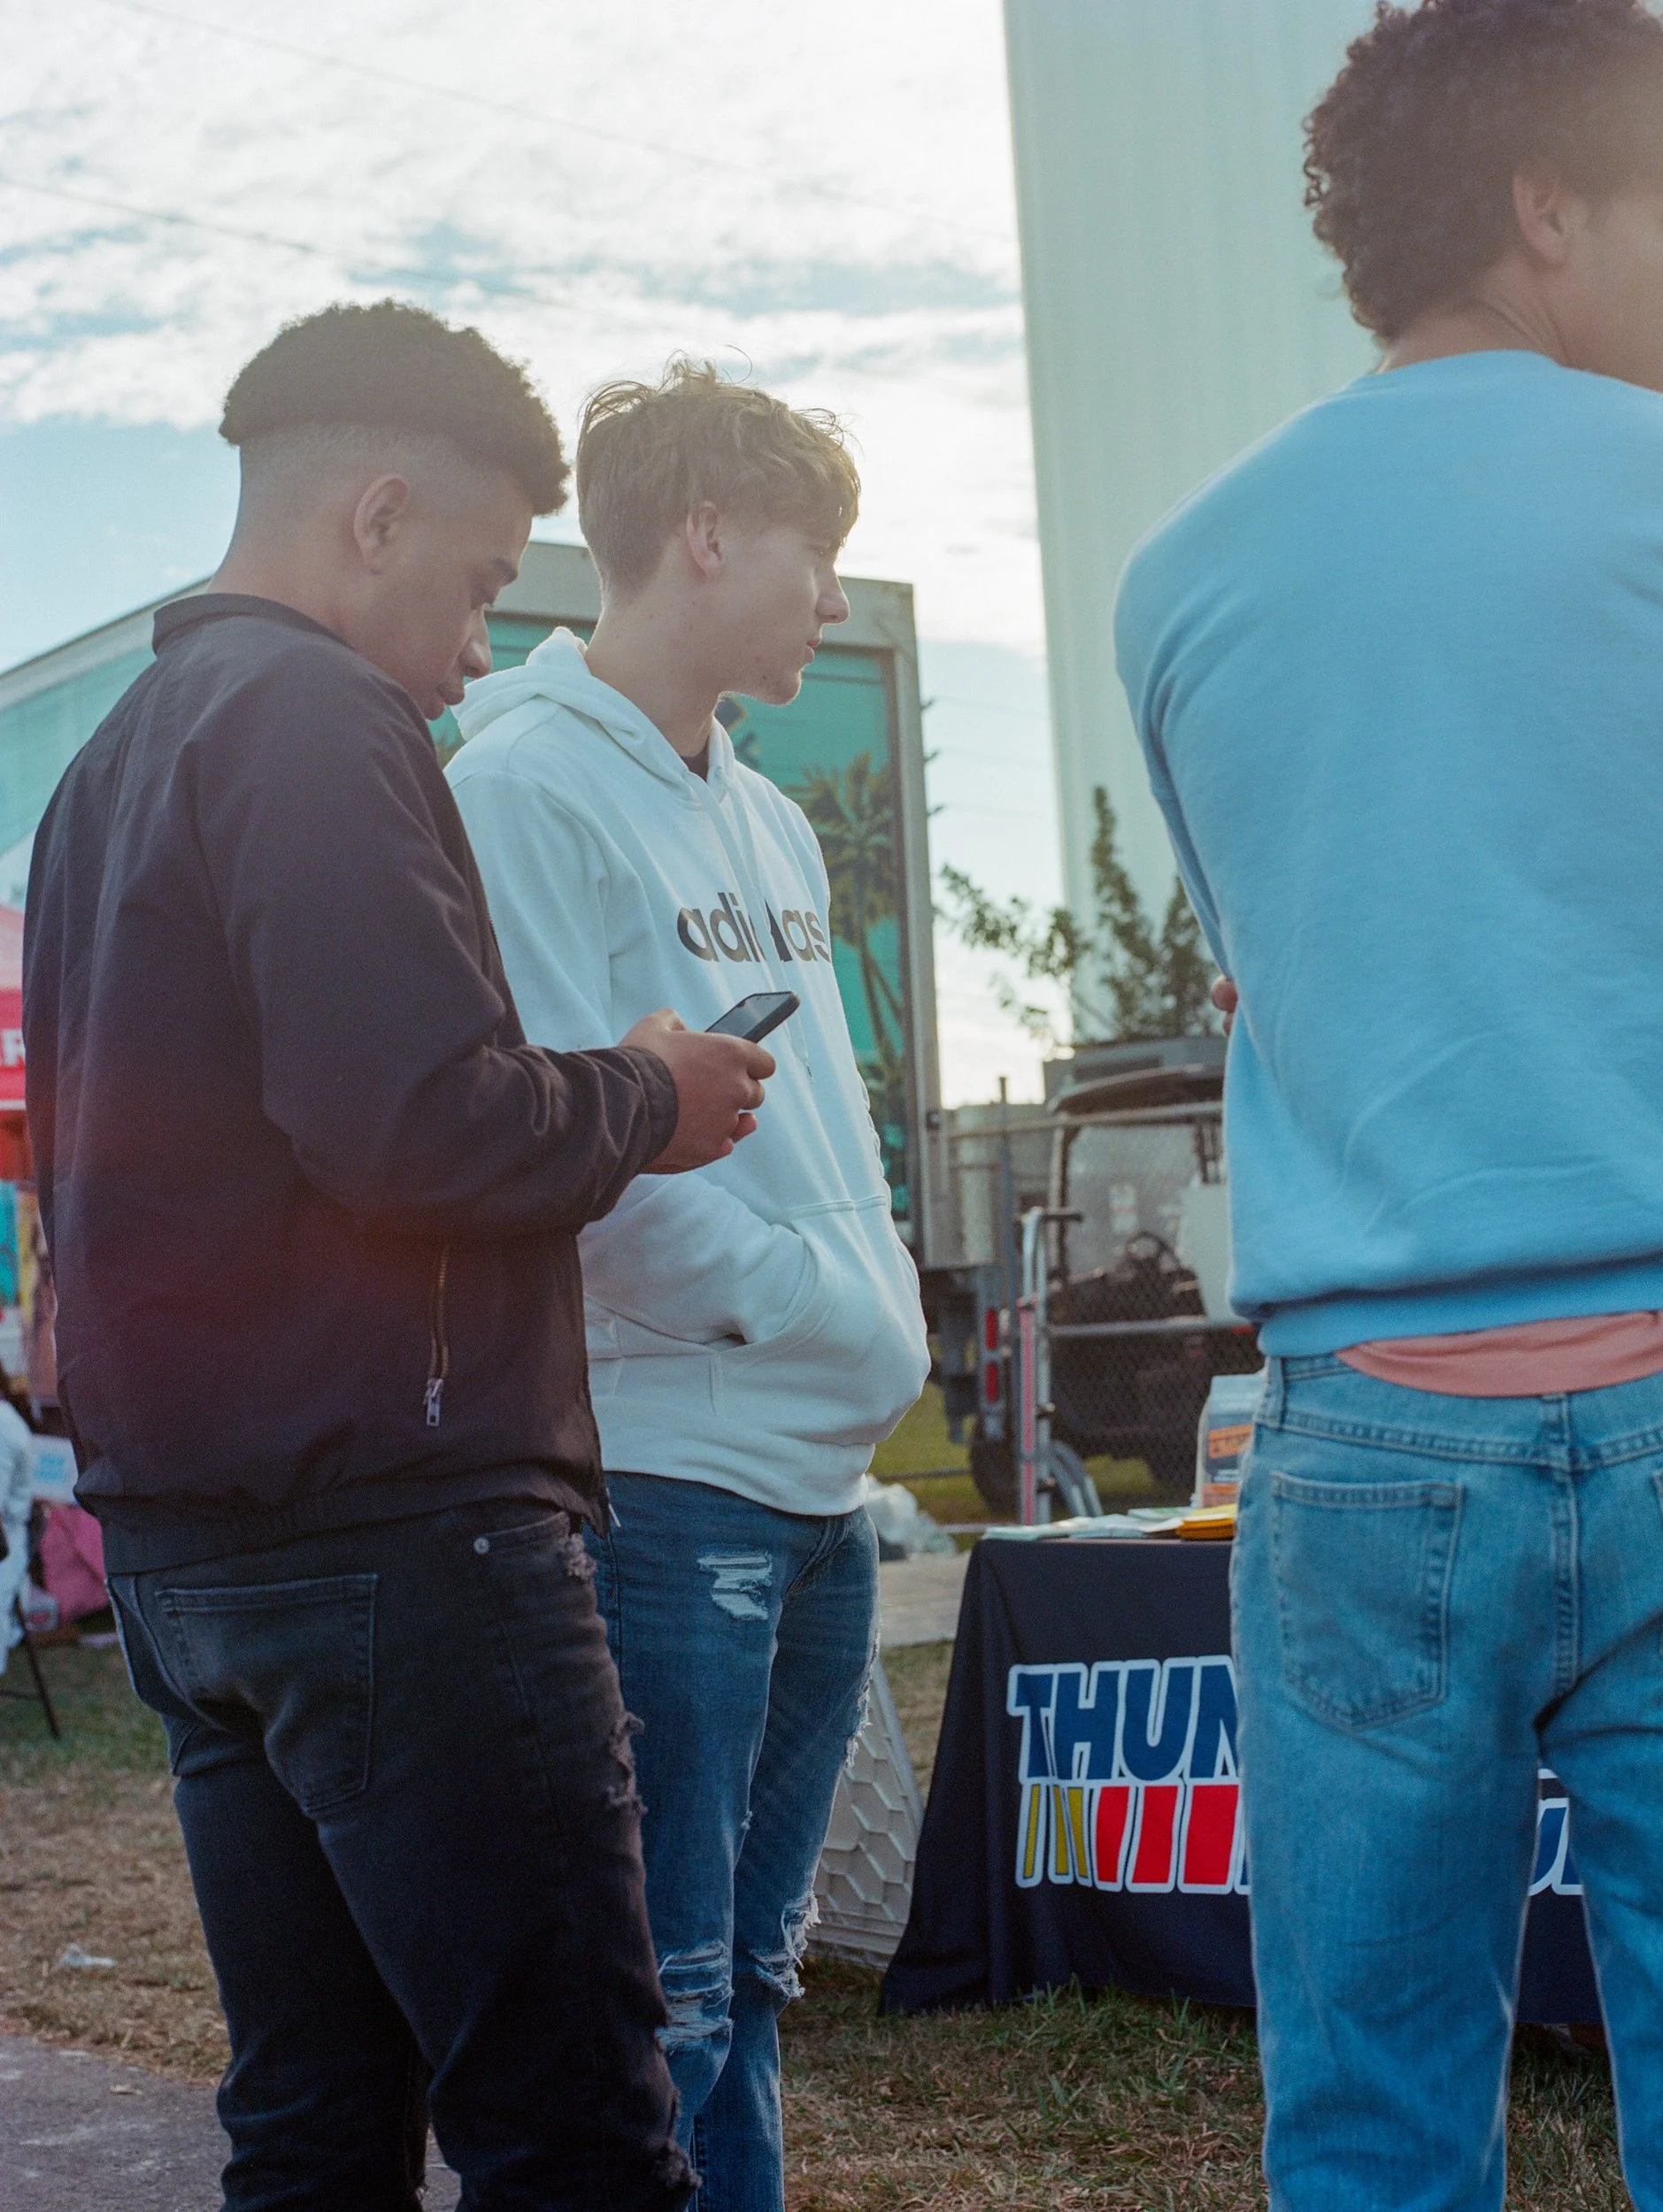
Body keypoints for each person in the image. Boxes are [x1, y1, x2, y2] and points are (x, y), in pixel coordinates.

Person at [1115, 4, 1663, 2205]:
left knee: (1368, 2123)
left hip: (1358, 1426)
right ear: (1548, 206)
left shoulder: (1177, 572)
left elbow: (1280, 973)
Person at [23, 301, 775, 2210]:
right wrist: (641, 1090)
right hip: (400, 1539)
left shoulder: (104, 763)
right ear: (373, 514)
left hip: (196, 1549)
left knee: (312, 2122)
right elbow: (414, 1122)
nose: (474, 660)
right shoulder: (316, 715)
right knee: (576, 2138)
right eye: (470, 584)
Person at [446, 360, 930, 2209]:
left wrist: (862, 1304)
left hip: (817, 1485)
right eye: (818, 554)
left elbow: (833, 1131)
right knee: (665, 1998)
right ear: (707, 533)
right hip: (663, 1473)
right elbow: (579, 1164)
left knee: (751, 1977)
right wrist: (823, 1313)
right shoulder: (521, 789)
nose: (829, 595)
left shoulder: (770, 811)